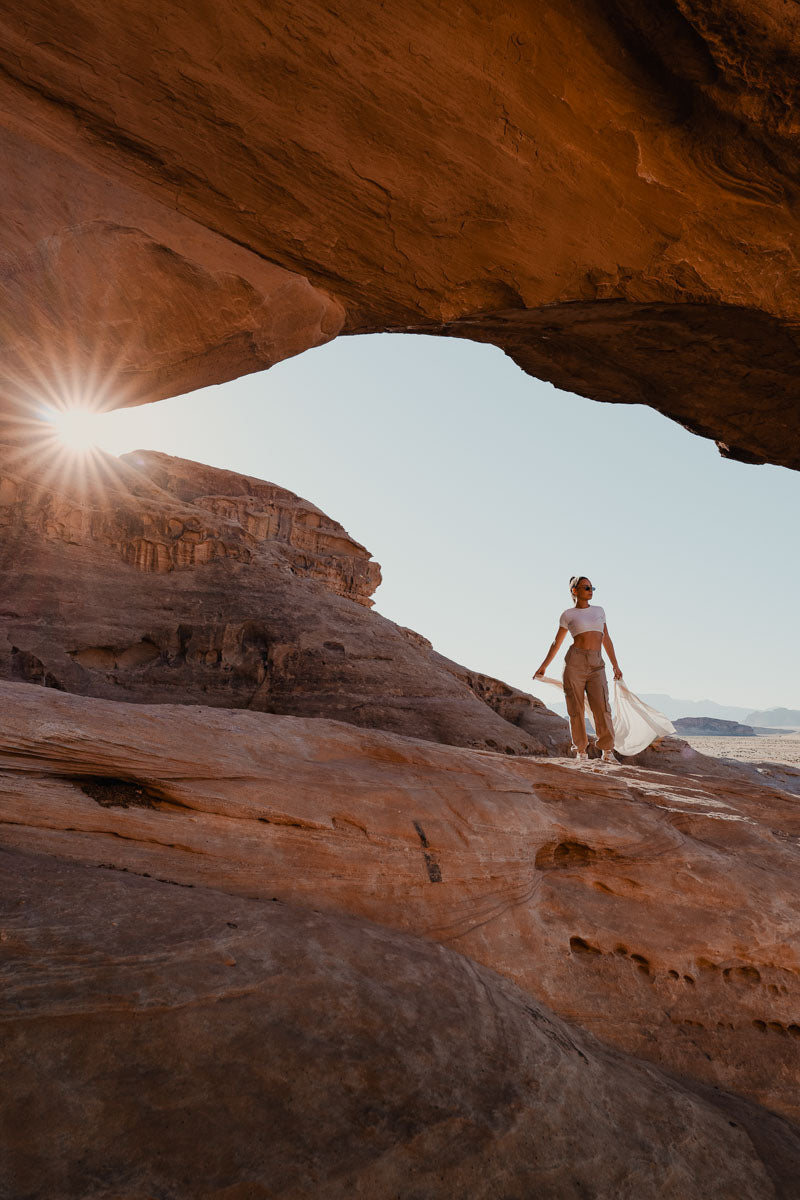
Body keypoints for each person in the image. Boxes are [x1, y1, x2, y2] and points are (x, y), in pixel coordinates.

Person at [534, 575, 622, 765]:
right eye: (586, 588)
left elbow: (606, 639)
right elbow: (556, 642)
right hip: (575, 662)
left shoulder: (599, 611)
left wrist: (616, 665)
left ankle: (607, 751)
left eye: (591, 588)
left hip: (597, 663)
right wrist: (543, 666)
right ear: (575, 591)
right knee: (576, 708)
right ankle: (581, 752)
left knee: (602, 707)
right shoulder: (568, 615)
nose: (590, 591)